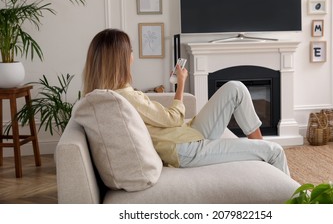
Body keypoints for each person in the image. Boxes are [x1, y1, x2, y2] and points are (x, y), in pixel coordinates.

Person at [82, 28, 290, 175]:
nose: (133, 56)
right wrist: (181, 84)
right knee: (275, 151)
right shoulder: (125, 97)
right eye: (130, 51)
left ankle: (258, 149)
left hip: (185, 134)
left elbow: (165, 121)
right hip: (186, 149)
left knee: (235, 87)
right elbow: (173, 118)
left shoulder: (108, 95)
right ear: (121, 59)